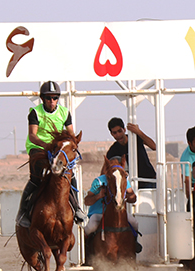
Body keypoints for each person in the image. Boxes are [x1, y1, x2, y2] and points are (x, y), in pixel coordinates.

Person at [16, 81, 86, 228]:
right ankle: (22, 211)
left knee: (70, 175)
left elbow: (71, 133)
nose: (52, 101)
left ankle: (77, 208)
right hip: (39, 148)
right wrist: (47, 146)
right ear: (42, 99)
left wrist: (70, 144)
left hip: (57, 149)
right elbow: (33, 136)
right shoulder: (35, 113)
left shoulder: (65, 113)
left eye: (55, 98)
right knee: (35, 178)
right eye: (48, 98)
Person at [83, 156, 142, 253]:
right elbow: (87, 201)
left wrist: (127, 196)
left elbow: (133, 198)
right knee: (91, 227)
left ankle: (134, 244)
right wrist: (98, 196)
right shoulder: (98, 181)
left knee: (134, 223)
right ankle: (86, 250)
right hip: (99, 213)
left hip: (119, 214)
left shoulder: (124, 180)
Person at [106, 118, 157, 189]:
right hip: (130, 185)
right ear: (111, 134)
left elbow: (154, 146)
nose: (118, 135)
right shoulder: (113, 151)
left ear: (124, 129)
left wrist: (138, 132)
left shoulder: (134, 138)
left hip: (149, 180)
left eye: (119, 131)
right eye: (115, 133)